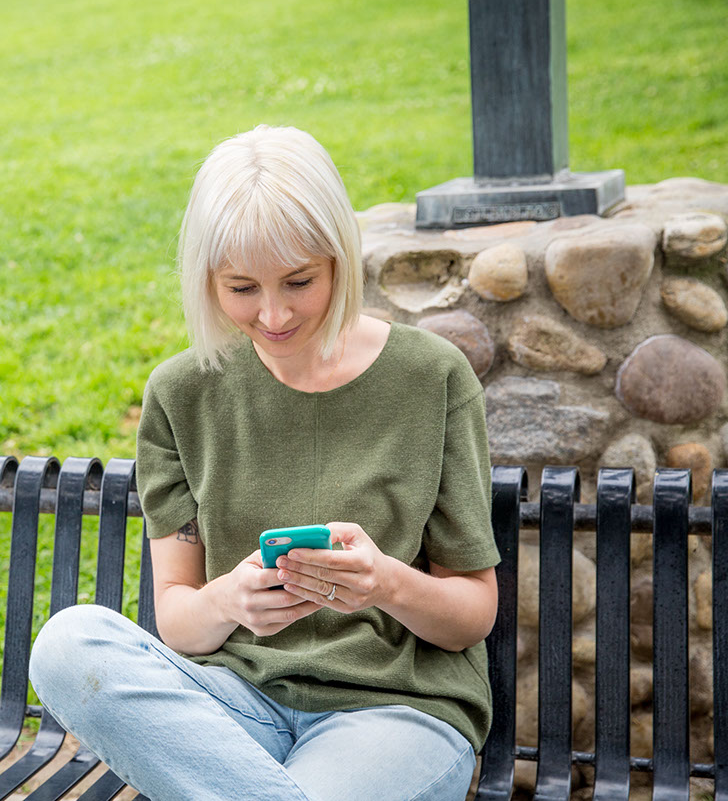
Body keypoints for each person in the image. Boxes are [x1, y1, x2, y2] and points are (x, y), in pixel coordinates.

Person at [28, 125, 501, 801]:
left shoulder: (432, 377)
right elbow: (181, 620)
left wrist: (383, 582)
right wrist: (228, 599)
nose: (273, 314)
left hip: (395, 710)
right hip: (232, 705)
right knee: (67, 645)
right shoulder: (180, 393)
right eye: (242, 287)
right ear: (207, 279)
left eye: (299, 281)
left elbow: (473, 610)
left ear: (339, 258)